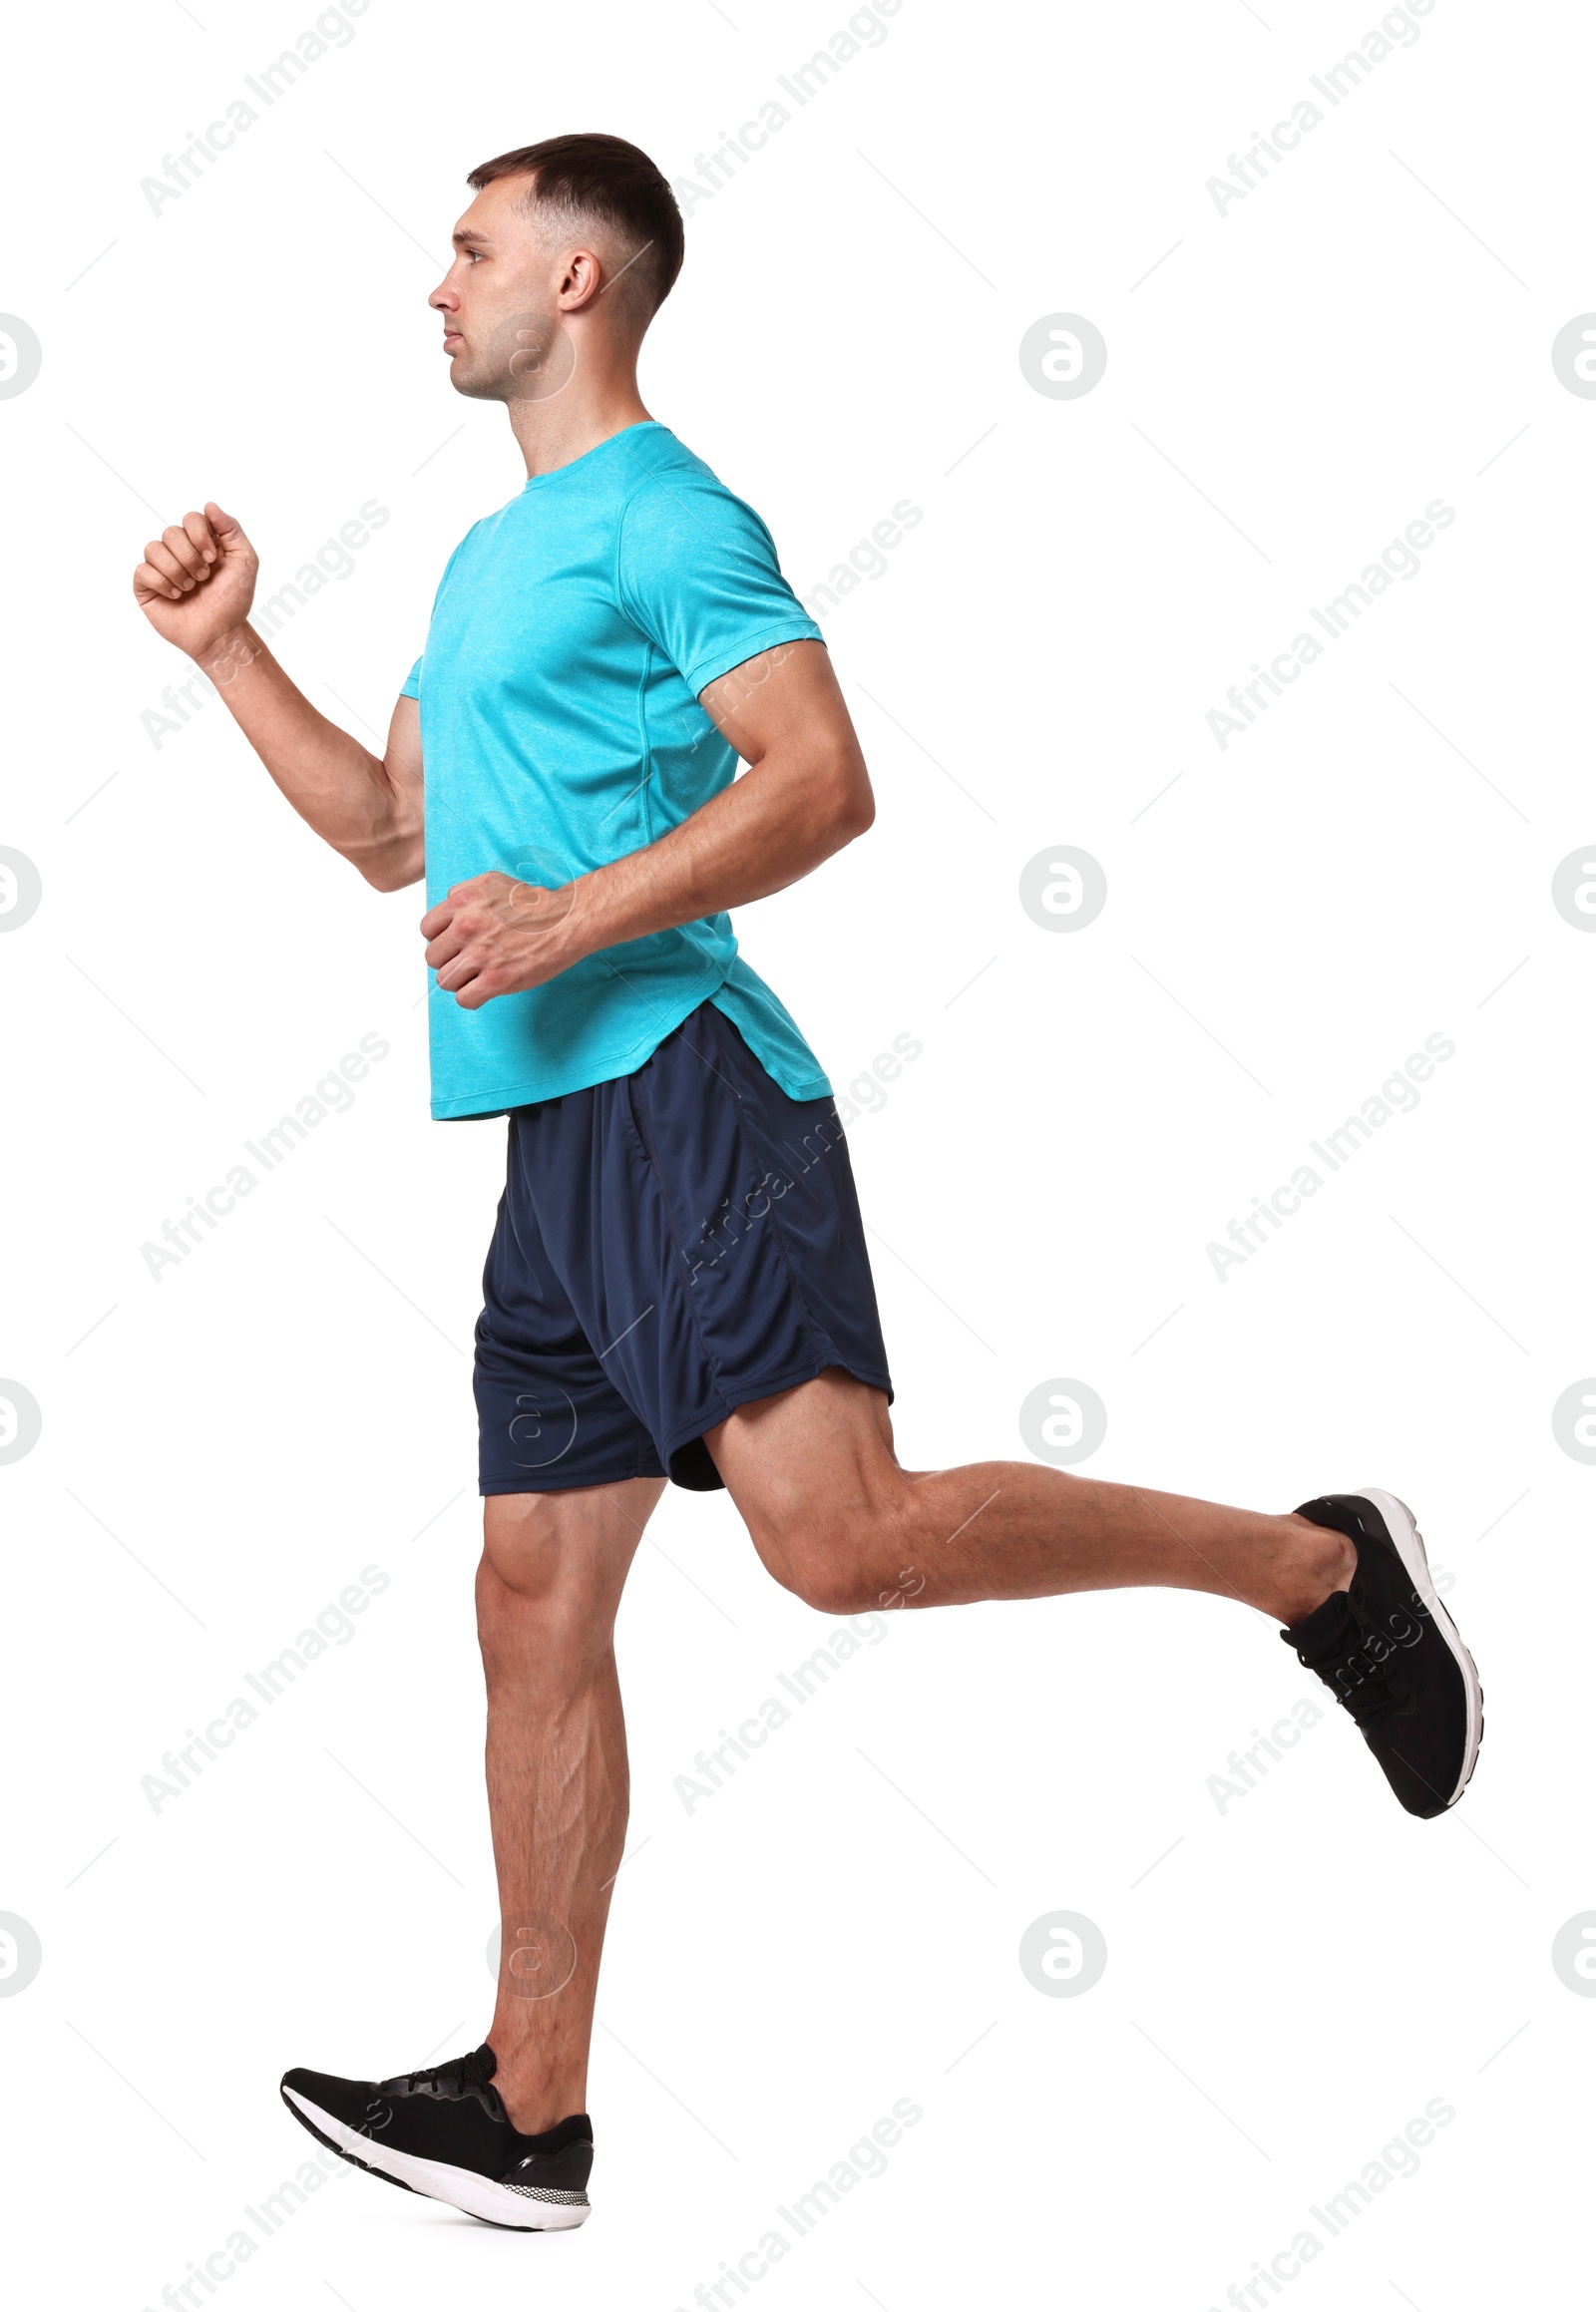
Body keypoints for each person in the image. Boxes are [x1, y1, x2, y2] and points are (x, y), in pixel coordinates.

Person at [131, 132, 1482, 2235]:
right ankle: (528, 2105)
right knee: (527, 1603)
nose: (440, 285)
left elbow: (825, 778)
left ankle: (1316, 1569)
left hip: (684, 1089)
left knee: (836, 1545)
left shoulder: (668, 516)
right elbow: (389, 831)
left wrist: (573, 924)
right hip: (553, 1141)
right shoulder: (489, 561)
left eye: (471, 248)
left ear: (580, 281)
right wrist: (229, 651)